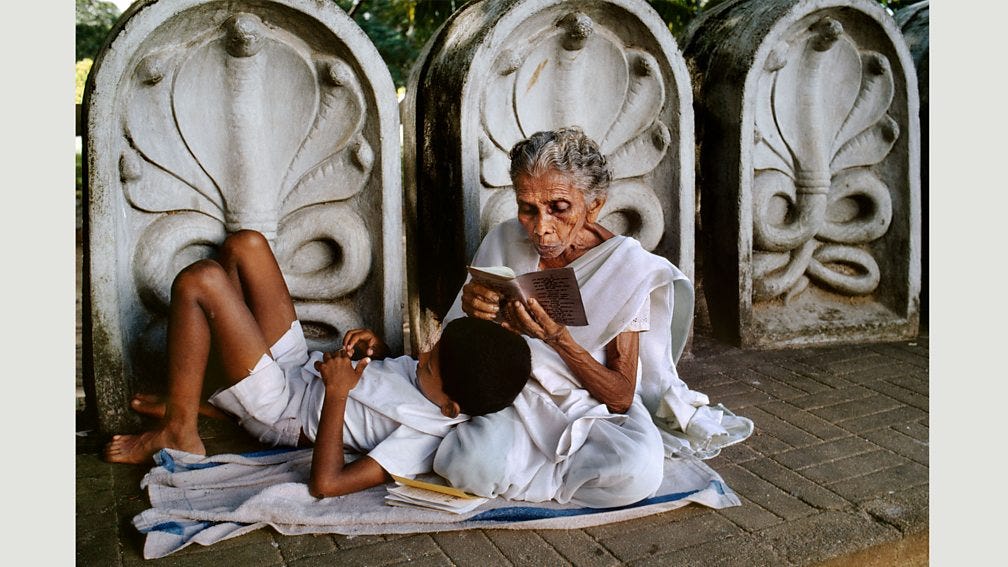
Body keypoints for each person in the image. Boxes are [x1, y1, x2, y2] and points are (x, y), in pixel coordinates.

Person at [433, 126, 752, 507]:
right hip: (512, 394)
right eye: (527, 208)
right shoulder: (504, 240)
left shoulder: (628, 268)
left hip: (588, 408)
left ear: (594, 205)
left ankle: (527, 474)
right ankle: (535, 472)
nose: (541, 228)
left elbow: (619, 397)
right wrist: (473, 310)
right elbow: (453, 348)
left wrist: (560, 341)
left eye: (559, 208)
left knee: (637, 469)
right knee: (469, 466)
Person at [104, 230, 532, 498]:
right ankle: (217, 397)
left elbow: (328, 484)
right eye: (429, 348)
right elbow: (398, 377)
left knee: (200, 279)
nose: (421, 355)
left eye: (429, 365)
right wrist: (378, 352)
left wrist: (338, 393)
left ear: (450, 410)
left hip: (281, 410)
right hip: (299, 369)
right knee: (245, 246)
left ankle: (181, 431)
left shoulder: (422, 440)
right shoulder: (438, 384)